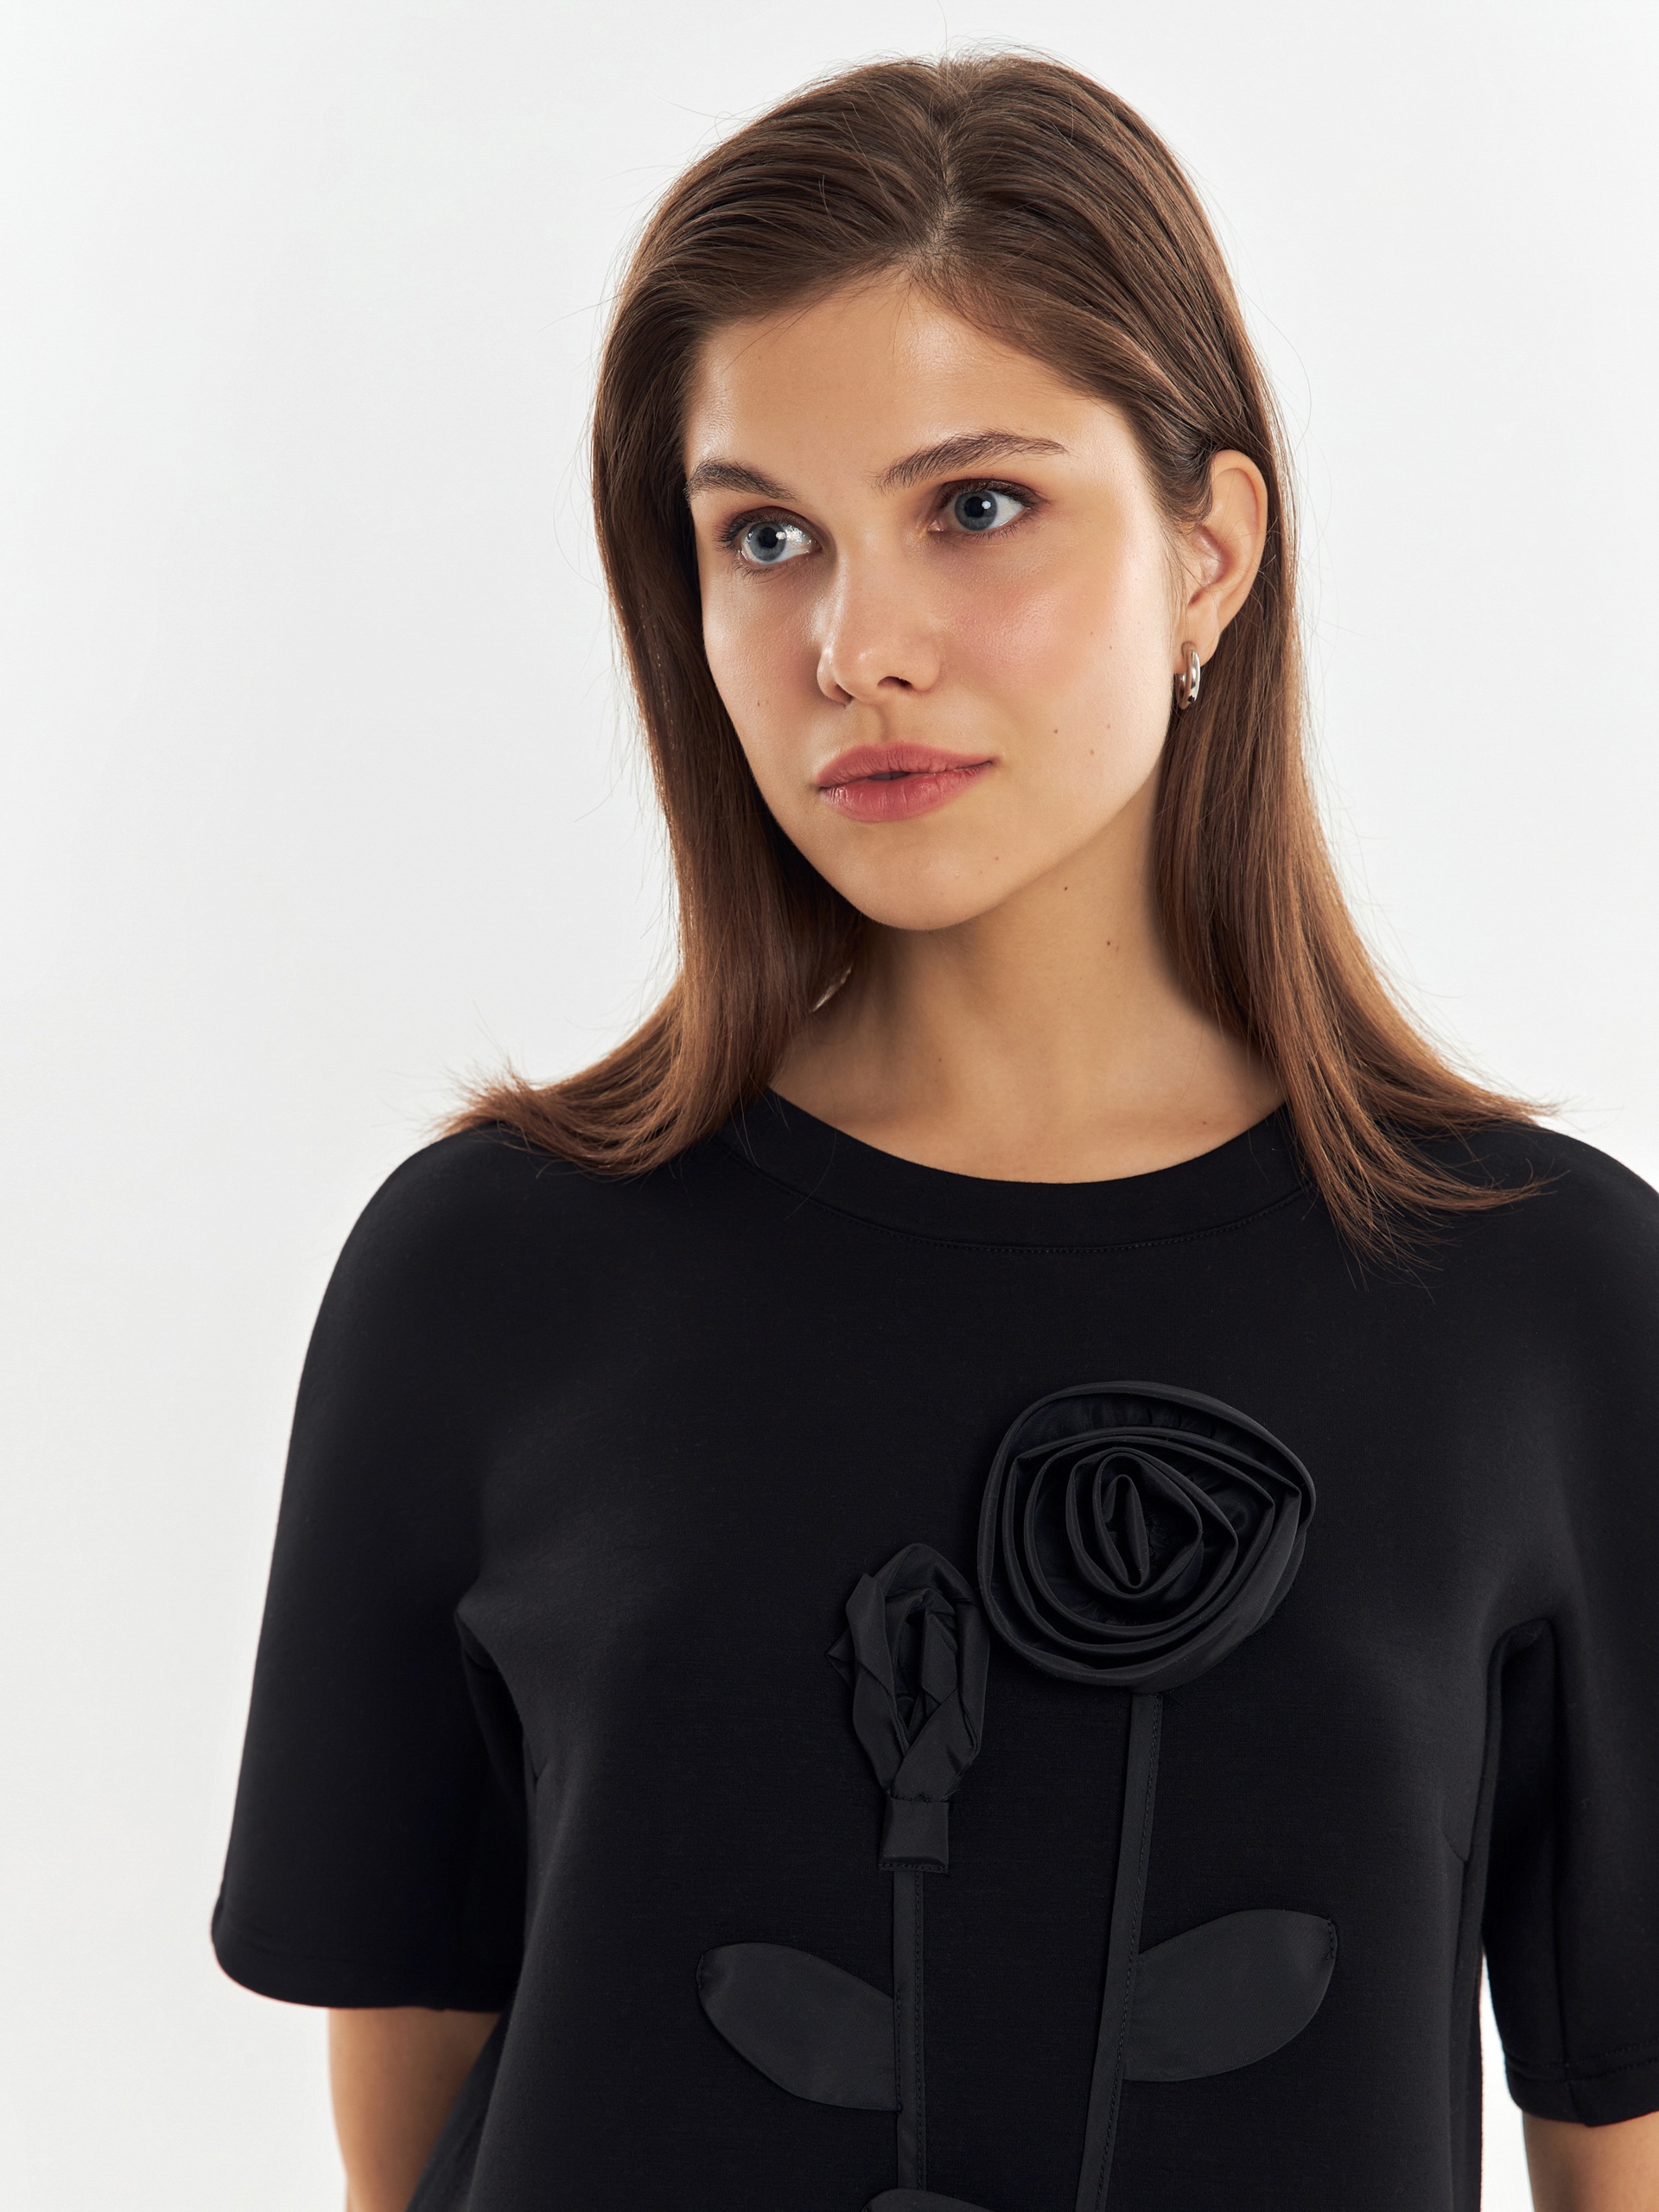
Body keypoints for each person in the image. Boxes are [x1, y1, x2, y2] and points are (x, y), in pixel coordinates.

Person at [212, 52, 1659, 2212]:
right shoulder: (489, 1268)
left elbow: (1619, 2112)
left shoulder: (1546, 1298)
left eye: (975, 507)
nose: (855, 647)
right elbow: (408, 2101)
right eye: (764, 536)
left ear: (1209, 550)